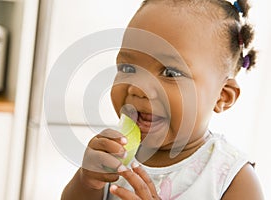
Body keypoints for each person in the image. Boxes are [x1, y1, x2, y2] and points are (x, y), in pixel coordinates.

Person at [61, 0, 264, 199]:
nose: (137, 88)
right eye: (128, 68)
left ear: (222, 96)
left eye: (170, 72)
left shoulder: (233, 179)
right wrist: (86, 181)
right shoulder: (115, 152)